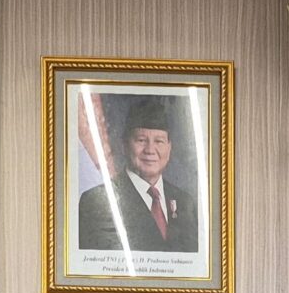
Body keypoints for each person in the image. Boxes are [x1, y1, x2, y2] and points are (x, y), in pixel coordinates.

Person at [77, 96, 199, 253]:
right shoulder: (97, 201)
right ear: (124, 145)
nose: (150, 150)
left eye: (159, 141)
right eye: (141, 140)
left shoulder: (185, 203)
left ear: (169, 148)